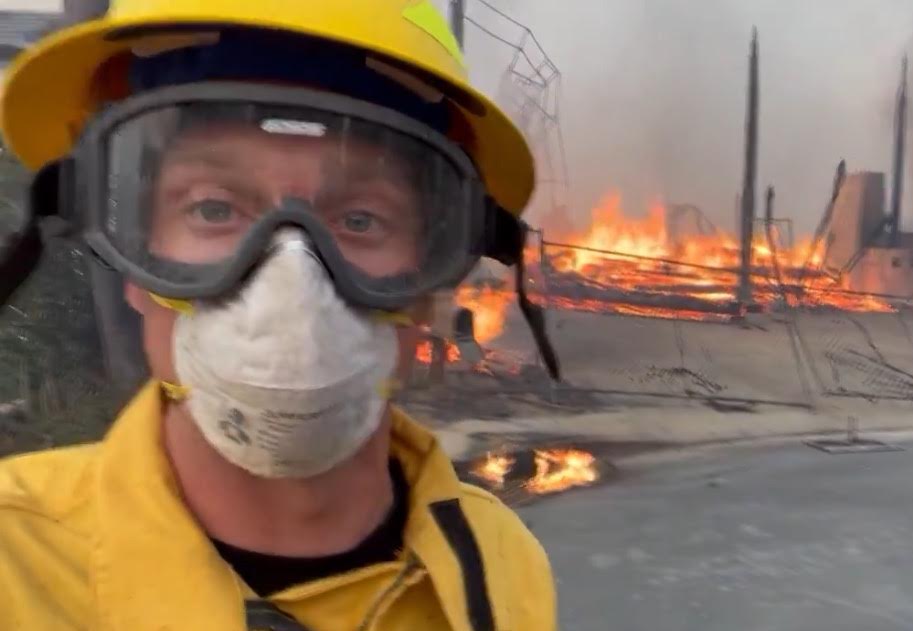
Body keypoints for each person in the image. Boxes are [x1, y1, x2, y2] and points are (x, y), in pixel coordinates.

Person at [0, 1, 559, 629]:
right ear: (134, 265)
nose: (291, 282)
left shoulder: (500, 568)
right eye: (213, 209)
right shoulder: (15, 567)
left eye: (359, 220)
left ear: (431, 287)